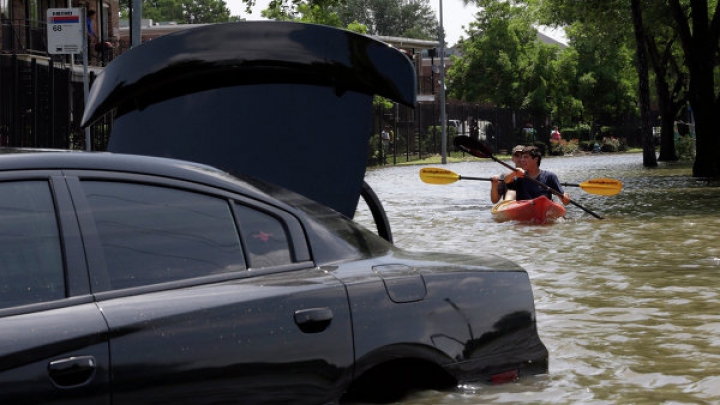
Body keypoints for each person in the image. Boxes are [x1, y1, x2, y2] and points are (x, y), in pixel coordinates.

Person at [505, 146, 570, 205]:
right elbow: (506, 180)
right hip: (524, 210)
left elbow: (565, 202)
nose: (522, 160)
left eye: (526, 157)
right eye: (522, 157)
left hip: (543, 210)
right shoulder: (519, 176)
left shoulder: (550, 177)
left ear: (535, 159)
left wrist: (565, 197)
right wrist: (514, 172)